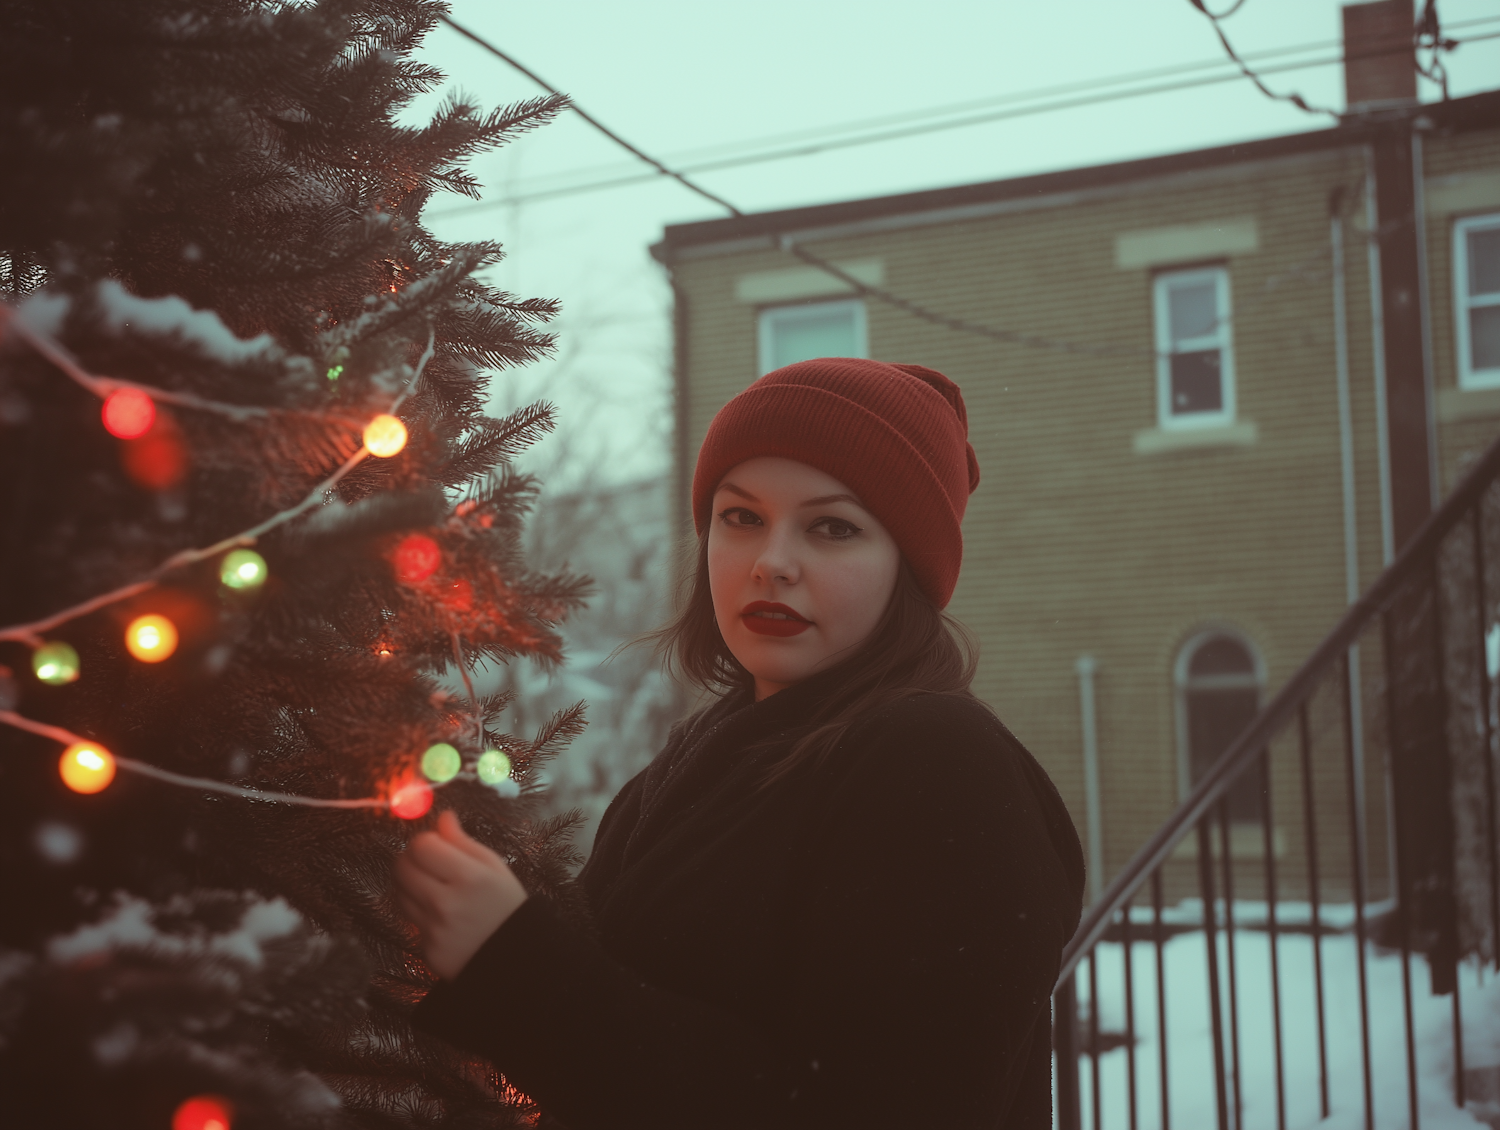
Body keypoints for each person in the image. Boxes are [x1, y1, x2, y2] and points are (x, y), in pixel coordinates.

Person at [395, 357, 1085, 1129]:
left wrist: (518, 970)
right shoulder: (703, 753)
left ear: (908, 570)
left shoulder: (937, 759)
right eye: (741, 516)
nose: (772, 563)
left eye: (833, 527)